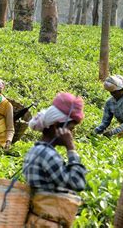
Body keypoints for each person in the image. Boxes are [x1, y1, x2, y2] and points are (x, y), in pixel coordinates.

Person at [24, 92, 86, 226]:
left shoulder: (35, 150)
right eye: (71, 128)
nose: (71, 134)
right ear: (57, 126)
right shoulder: (47, 154)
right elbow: (78, 183)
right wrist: (71, 148)